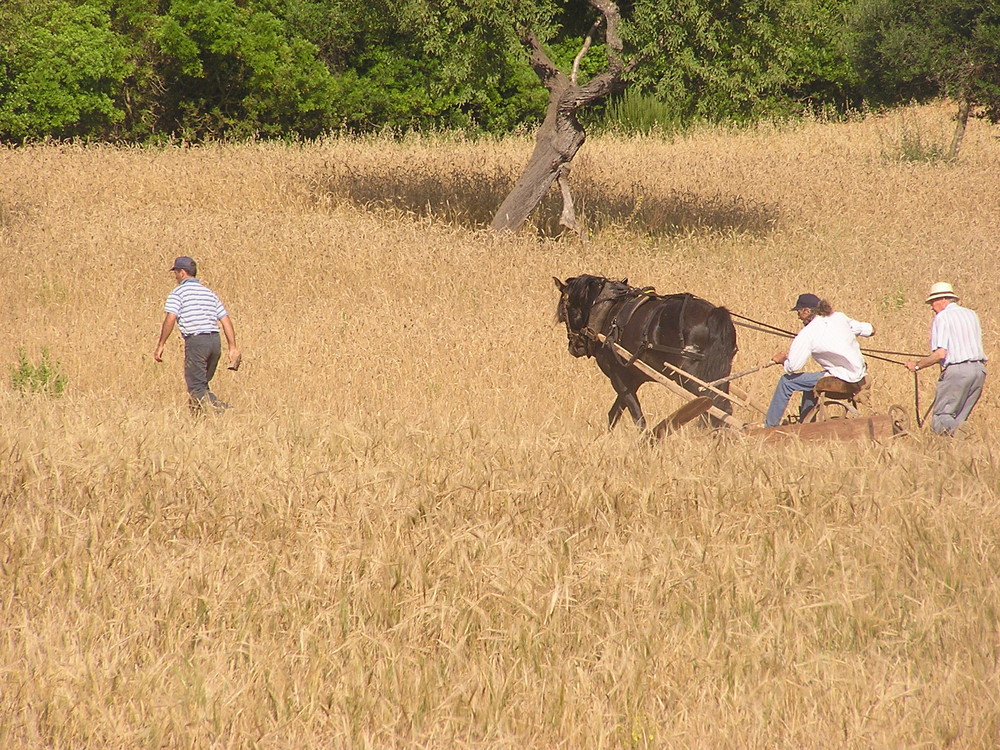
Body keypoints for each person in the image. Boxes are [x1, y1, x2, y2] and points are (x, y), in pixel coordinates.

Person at [764, 293, 875, 428]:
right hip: (859, 374)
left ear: (807, 311)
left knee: (786, 382)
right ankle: (806, 424)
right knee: (808, 384)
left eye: (799, 312)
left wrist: (782, 360)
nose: (798, 316)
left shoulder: (808, 333)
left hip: (842, 377)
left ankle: (769, 427)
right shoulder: (839, 317)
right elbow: (870, 330)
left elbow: (793, 367)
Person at [154, 256, 240, 411]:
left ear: (182, 273)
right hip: (215, 342)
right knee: (201, 386)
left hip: (197, 342)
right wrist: (232, 347)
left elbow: (171, 318)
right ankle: (198, 422)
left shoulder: (178, 293)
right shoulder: (209, 293)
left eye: (176, 272)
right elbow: (225, 319)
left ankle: (224, 410)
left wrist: (161, 344)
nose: (175, 277)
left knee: (196, 388)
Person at [905, 282, 986, 436]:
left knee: (942, 418)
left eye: (932, 302)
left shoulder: (942, 317)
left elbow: (940, 353)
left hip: (957, 371)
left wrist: (917, 365)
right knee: (959, 418)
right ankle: (963, 449)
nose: (931, 307)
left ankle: (962, 435)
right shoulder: (971, 314)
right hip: (979, 370)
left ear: (942, 299)